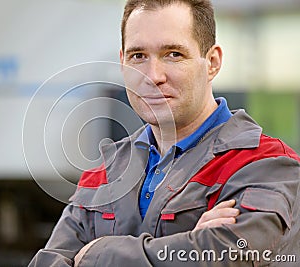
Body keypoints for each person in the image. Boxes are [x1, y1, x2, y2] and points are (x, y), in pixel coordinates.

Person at [29, 0, 300, 266]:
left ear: (213, 62)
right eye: (138, 57)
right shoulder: (104, 175)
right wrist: (189, 245)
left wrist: (99, 255)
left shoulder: (265, 165)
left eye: (173, 54)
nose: (153, 75)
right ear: (122, 62)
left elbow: (231, 254)